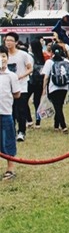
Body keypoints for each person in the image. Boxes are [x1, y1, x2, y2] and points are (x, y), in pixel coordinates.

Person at [4, 31, 33, 142]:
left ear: (16, 42)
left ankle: (21, 132)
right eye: (7, 40)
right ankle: (11, 131)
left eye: (11, 40)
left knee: (21, 110)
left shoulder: (23, 55)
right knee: (9, 111)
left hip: (21, 86)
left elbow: (30, 68)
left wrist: (20, 76)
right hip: (7, 88)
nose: (9, 43)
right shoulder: (3, 55)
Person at [0, 45, 21, 182]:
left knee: (8, 140)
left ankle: (10, 168)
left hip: (6, 112)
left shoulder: (11, 76)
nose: (1, 59)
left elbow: (17, 94)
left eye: (3, 56)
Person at [41, 44, 69, 132]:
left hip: (53, 87)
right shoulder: (66, 61)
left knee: (57, 107)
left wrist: (44, 89)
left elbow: (46, 77)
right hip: (64, 87)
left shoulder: (49, 62)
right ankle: (56, 125)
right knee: (59, 106)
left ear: (51, 52)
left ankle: (63, 126)